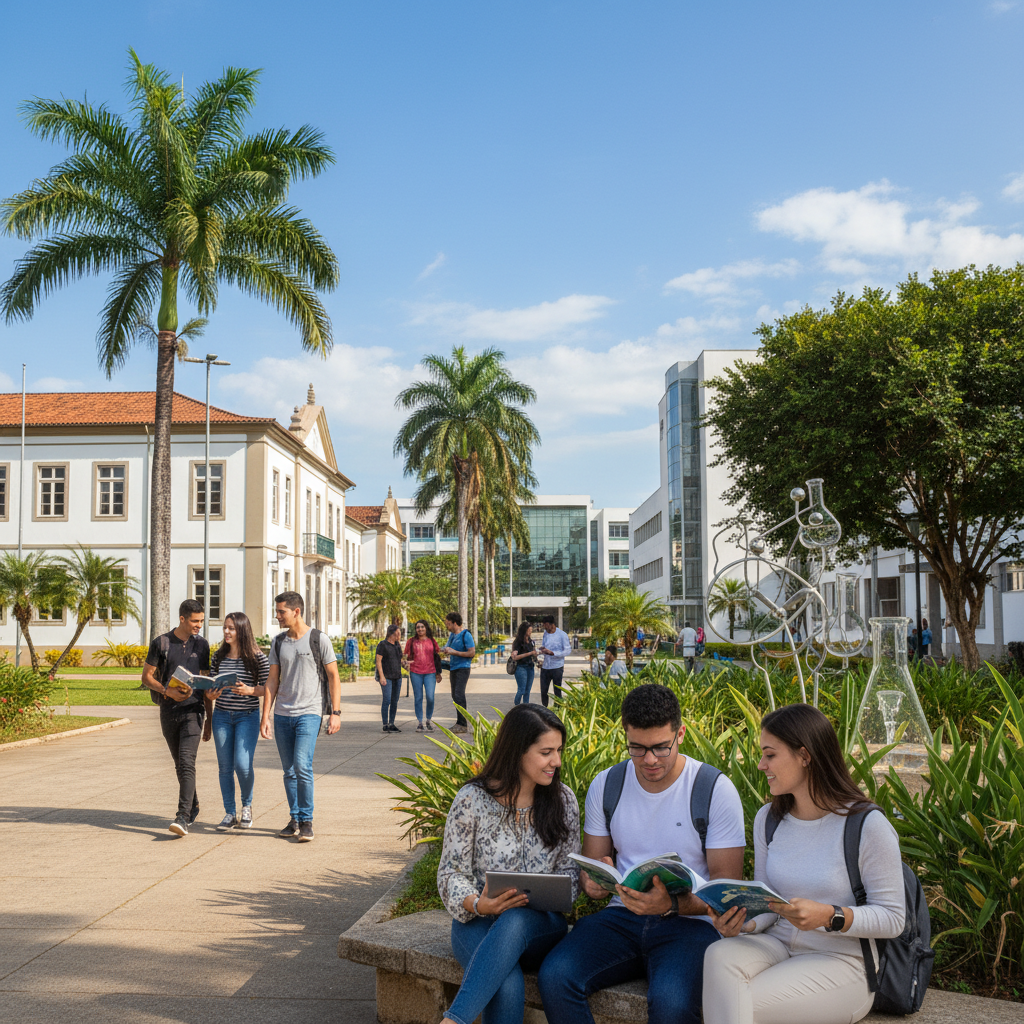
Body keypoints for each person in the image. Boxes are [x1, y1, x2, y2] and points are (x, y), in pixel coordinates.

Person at [538, 684, 746, 1024]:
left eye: (661, 748)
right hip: (620, 917)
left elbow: (724, 893)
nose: (649, 760)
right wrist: (594, 882)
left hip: (691, 926)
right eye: (637, 748)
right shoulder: (608, 784)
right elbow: (593, 867)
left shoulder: (713, 789)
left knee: (671, 1006)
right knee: (556, 977)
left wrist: (672, 905)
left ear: (680, 734)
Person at [702, 702, 906, 1024]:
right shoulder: (768, 819)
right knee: (718, 954)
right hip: (776, 946)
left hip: (842, 961)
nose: (760, 765)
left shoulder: (866, 825)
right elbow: (768, 903)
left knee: (736, 1004)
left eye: (770, 755)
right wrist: (745, 923)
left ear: (804, 756)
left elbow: (894, 918)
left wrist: (830, 915)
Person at [437, 704, 581, 1024]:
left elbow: (570, 872)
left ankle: (453, 1020)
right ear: (518, 751)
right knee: (507, 983)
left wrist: (561, 891)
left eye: (558, 750)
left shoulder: (563, 800)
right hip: (477, 921)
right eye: (546, 752)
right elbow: (451, 872)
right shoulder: (472, 799)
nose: (556, 761)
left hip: (541, 926)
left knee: (516, 917)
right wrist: (479, 903)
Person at [261, 591, 342, 843]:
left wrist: (335, 713)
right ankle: (294, 818)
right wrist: (266, 716)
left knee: (302, 766)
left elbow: (333, 677)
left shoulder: (319, 639)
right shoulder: (278, 642)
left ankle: (307, 821)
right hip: (283, 714)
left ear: (296, 611)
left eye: (281, 611)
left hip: (310, 712)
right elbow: (272, 680)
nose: (277, 616)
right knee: (289, 771)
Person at [142, 599, 212, 836]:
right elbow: (146, 677)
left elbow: (205, 680)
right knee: (179, 765)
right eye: (195, 621)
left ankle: (182, 816)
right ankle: (193, 804)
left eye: (201, 621)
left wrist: (209, 720)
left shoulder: (202, 645)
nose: (199, 625)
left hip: (194, 712)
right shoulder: (161, 643)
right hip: (168, 711)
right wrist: (166, 690)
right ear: (182, 619)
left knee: (186, 761)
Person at [207, 611, 270, 831]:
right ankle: (229, 813)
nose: (226, 631)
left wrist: (250, 690)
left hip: (247, 716)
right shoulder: (218, 656)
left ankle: (247, 806)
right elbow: (210, 687)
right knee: (225, 767)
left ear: (242, 630)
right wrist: (210, 694)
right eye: (225, 627)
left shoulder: (257, 657)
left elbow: (268, 688)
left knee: (242, 766)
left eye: (231, 628)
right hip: (222, 715)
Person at [443, 612, 476, 734]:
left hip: (463, 668)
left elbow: (471, 653)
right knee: (454, 695)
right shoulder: (452, 636)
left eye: (449, 624)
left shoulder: (466, 635)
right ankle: (459, 722)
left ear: (455, 623)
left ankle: (463, 724)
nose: (447, 626)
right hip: (453, 668)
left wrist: (454, 652)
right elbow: (447, 648)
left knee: (459, 694)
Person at [405, 619, 440, 732]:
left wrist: (438, 673)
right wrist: (405, 662)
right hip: (415, 672)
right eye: (417, 627)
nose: (420, 629)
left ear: (426, 628)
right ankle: (420, 722)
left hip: (430, 672)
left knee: (430, 697)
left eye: (422, 627)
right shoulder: (411, 641)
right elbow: (406, 657)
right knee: (418, 698)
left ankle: (428, 720)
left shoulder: (432, 641)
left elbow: (437, 656)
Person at [376, 624, 405, 734]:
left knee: (394, 701)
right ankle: (385, 724)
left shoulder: (397, 645)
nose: (399, 635)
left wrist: (405, 663)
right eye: (397, 633)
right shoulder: (383, 645)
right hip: (386, 677)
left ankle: (392, 723)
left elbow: (399, 660)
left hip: (397, 676)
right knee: (387, 699)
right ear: (391, 633)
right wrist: (381, 676)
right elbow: (378, 661)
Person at [538, 615, 571, 707]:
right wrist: (542, 651)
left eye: (546, 625)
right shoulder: (545, 634)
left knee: (557, 690)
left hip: (557, 666)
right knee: (544, 690)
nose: (545, 627)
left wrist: (553, 653)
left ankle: (558, 710)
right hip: (545, 666)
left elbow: (567, 650)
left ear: (551, 624)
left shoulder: (562, 635)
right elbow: (544, 645)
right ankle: (545, 708)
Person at [510, 620, 538, 705]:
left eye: (531, 631)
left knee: (527, 691)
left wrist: (536, 658)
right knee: (521, 690)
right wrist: (529, 653)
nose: (530, 632)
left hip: (530, 667)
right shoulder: (518, 642)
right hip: (521, 667)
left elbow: (533, 654)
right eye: (529, 630)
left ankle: (526, 707)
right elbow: (515, 657)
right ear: (524, 630)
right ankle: (517, 707)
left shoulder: (531, 642)